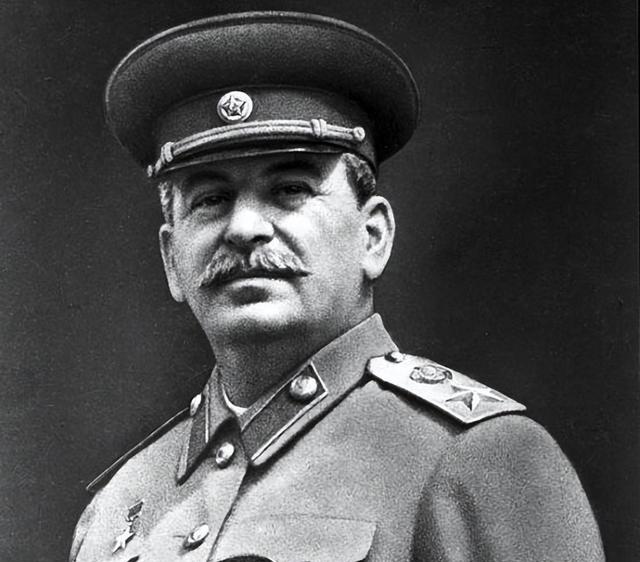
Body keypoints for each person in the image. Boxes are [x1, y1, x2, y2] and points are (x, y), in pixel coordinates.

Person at [70, 12, 604, 562]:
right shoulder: (119, 505)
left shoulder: (479, 459)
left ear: (373, 236)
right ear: (171, 260)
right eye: (211, 200)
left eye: (290, 189)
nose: (244, 227)